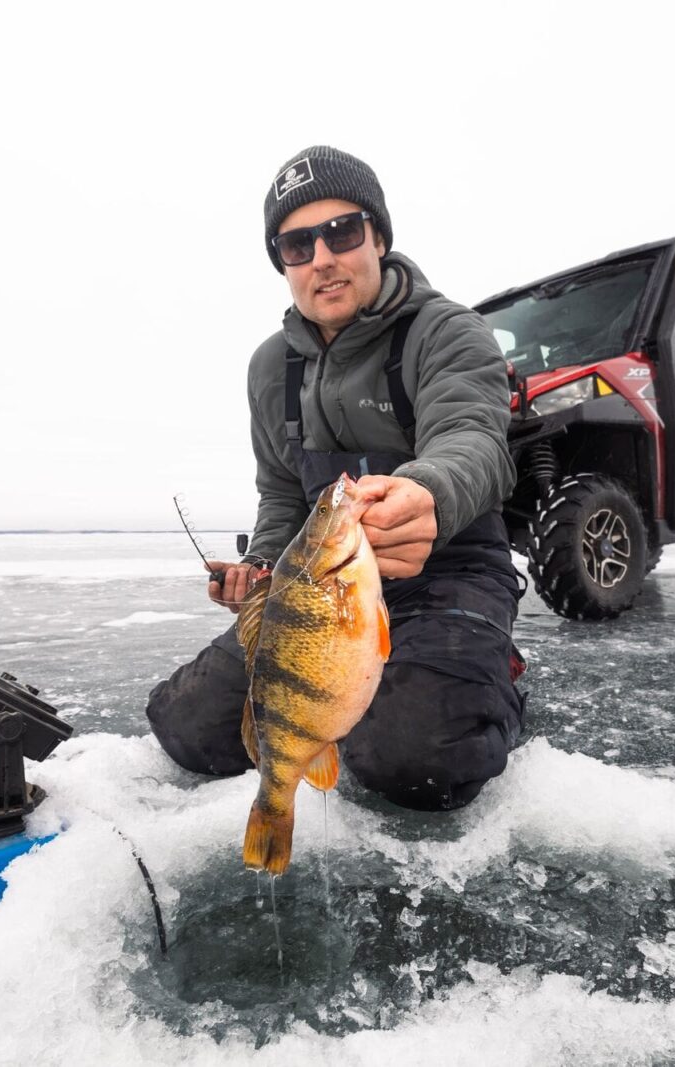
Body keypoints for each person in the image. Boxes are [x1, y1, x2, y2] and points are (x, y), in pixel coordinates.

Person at [145, 145, 525, 811]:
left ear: (378, 236)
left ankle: (494, 680)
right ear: (283, 263)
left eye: (342, 231)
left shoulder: (449, 331)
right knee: (187, 726)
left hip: (448, 568)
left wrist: (428, 490)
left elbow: (476, 440)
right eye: (296, 244)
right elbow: (283, 492)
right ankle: (358, 692)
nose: (322, 257)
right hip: (317, 588)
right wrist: (262, 564)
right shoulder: (270, 368)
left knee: (416, 756)